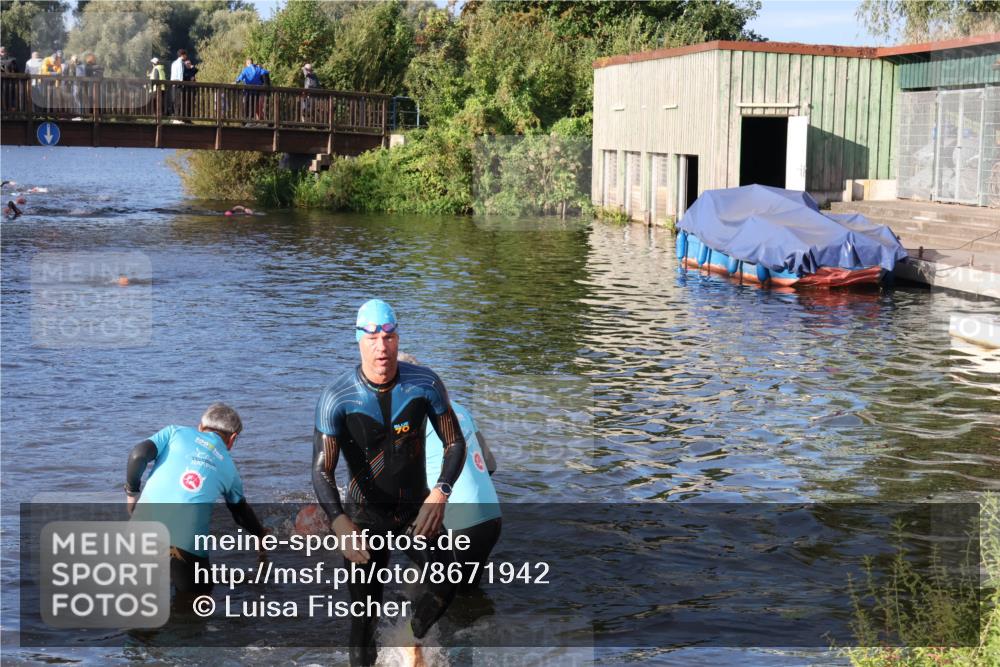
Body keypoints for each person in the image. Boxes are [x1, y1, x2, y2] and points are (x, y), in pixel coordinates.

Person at [313, 299, 466, 667]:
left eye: (390, 336)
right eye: (373, 338)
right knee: (364, 616)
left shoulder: (424, 384)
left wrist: (440, 491)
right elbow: (321, 471)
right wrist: (338, 522)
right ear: (358, 340)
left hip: (416, 511)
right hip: (364, 519)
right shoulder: (337, 397)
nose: (382, 347)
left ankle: (410, 638)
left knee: (449, 581)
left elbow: (454, 443)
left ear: (398, 338)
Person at [126, 402, 266, 599]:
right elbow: (240, 513)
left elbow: (138, 455)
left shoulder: (174, 433)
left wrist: (132, 493)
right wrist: (260, 535)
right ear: (232, 439)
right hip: (184, 545)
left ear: (200, 426)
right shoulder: (230, 470)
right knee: (196, 605)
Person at [399, 353, 502, 594]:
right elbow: (489, 466)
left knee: (422, 594)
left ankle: (406, 627)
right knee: (466, 597)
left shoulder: (408, 418)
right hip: (491, 518)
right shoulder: (460, 410)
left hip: (460, 525)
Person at [235, 58, 268, 122]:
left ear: (247, 63)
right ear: (252, 63)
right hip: (257, 91)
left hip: (249, 91)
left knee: (247, 105)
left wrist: (236, 81)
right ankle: (256, 120)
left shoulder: (246, 70)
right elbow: (265, 72)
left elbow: (241, 77)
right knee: (256, 106)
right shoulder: (258, 69)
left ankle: (248, 119)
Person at [169, 48, 186, 119]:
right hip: (178, 83)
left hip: (173, 83)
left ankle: (174, 116)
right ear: (182, 55)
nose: (186, 57)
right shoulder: (181, 63)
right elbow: (180, 74)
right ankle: (177, 116)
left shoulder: (173, 63)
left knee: (174, 100)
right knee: (179, 101)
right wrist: (182, 84)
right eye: (185, 55)